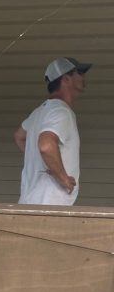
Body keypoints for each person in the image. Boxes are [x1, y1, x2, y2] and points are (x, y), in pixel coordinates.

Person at [14, 57, 91, 205]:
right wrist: (63, 178)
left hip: (30, 201)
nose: (84, 76)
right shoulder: (61, 111)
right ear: (66, 78)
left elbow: (19, 136)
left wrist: (44, 161)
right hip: (48, 204)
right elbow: (46, 145)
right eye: (80, 72)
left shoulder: (39, 112)